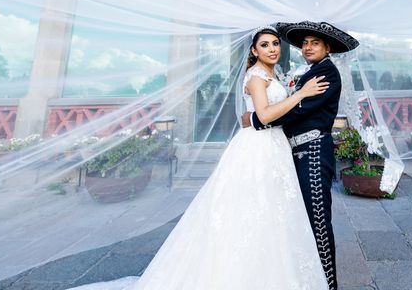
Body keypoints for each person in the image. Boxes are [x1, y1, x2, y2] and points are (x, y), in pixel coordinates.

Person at [67, 26, 331, 290]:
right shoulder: (256, 76)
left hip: (276, 148)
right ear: (253, 50)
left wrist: (265, 111)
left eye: (275, 43)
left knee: (276, 211)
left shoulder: (276, 75)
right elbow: (264, 115)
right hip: (257, 148)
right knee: (250, 208)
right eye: (264, 45)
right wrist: (300, 94)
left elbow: (270, 114)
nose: (272, 48)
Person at [246, 21, 359, 290]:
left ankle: (329, 284)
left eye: (315, 43)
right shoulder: (307, 72)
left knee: (317, 220)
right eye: (305, 43)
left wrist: (256, 119)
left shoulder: (326, 74)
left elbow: (298, 111)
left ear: (327, 48)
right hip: (293, 153)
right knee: (298, 220)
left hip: (313, 152)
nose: (308, 47)